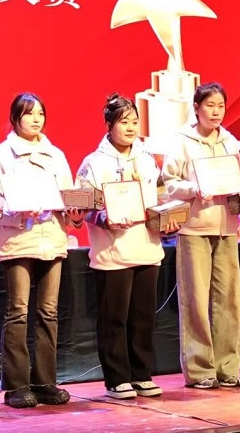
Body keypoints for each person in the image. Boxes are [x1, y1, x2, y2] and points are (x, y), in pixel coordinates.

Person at [0, 92, 83, 409]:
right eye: (29, 113)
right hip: (18, 240)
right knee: (18, 311)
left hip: (51, 237)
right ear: (15, 118)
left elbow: (69, 196)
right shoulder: (1, 155)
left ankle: (44, 381)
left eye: (40, 113)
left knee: (48, 312)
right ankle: (16, 385)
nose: (36, 119)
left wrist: (75, 213)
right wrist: (16, 211)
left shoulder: (55, 155)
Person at [75, 94, 176, 400]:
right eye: (123, 122)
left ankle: (142, 374)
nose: (131, 127)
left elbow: (161, 197)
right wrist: (105, 219)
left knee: (144, 317)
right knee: (114, 318)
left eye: (134, 121)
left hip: (147, 248)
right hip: (112, 252)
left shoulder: (147, 159)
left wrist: (167, 220)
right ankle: (116, 378)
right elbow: (83, 208)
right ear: (108, 125)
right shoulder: (93, 163)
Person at [161, 82, 240, 389]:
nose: (216, 112)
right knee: (196, 301)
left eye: (220, 106)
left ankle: (228, 368)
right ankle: (200, 370)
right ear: (196, 108)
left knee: (229, 300)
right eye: (210, 105)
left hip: (227, 227)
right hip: (195, 227)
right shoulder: (182, 141)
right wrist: (194, 189)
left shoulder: (230, 142)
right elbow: (168, 182)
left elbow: (237, 182)